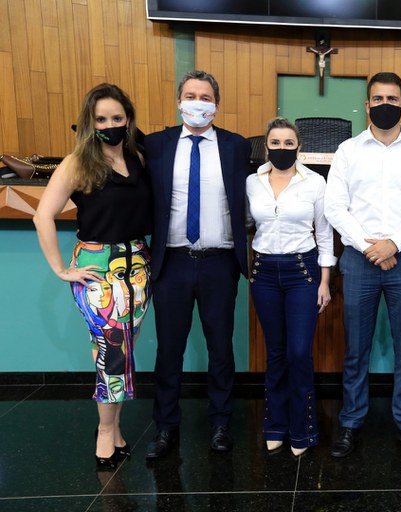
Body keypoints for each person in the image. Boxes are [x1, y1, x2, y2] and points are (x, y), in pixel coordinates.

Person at [324, 71, 401, 459]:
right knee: (356, 348)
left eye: (392, 99)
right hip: (359, 261)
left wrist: (394, 243)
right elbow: (334, 207)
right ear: (367, 105)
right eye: (378, 99)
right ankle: (350, 421)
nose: (385, 105)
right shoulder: (348, 151)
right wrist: (369, 246)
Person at [33, 83, 152, 469]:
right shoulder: (78, 163)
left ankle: (114, 427)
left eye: (117, 118)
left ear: (128, 119)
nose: (109, 125)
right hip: (98, 269)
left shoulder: (138, 157)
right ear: (89, 122)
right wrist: (60, 269)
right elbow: (42, 215)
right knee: (111, 352)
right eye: (101, 119)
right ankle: (104, 432)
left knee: (123, 351)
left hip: (138, 266)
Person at [143, 70, 251, 459]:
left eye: (205, 97)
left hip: (219, 262)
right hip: (171, 262)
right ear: (179, 101)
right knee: (169, 350)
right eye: (190, 96)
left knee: (220, 348)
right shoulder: (155, 145)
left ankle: (220, 424)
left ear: (216, 105)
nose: (197, 103)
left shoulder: (237, 146)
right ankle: (165, 428)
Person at [246, 117, 336, 457]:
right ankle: (275, 426)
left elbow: (324, 233)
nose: (281, 148)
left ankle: (302, 428)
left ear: (299, 147)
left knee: (298, 353)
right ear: (266, 146)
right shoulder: (252, 182)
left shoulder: (314, 182)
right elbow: (246, 223)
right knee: (276, 352)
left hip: (303, 272)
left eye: (288, 143)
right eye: (275, 142)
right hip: (264, 273)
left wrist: (325, 281)